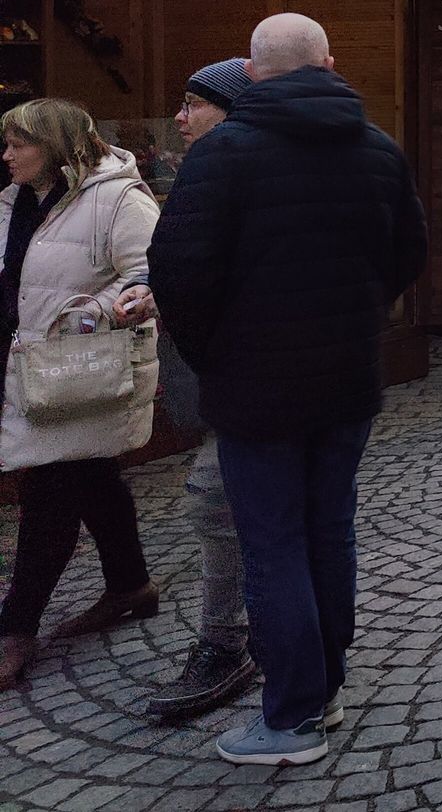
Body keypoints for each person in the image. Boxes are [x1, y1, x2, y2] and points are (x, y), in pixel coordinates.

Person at [149, 14, 426, 767]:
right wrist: (356, 321)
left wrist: (218, 355)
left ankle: (293, 716)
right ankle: (324, 688)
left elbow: (177, 272)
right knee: (327, 532)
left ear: (253, 70)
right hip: (345, 378)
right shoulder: (377, 148)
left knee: (271, 543)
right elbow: (408, 254)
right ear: (329, 62)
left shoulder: (222, 155)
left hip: (254, 386)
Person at [0, 99, 161, 692]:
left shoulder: (118, 197)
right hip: (23, 367)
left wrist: (100, 309)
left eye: (20, 143)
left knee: (47, 491)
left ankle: (14, 628)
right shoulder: (14, 199)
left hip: (76, 369)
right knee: (90, 476)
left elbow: (148, 272)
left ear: (58, 146)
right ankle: (130, 585)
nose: (8, 154)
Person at [119, 60, 259, 723]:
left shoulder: (242, 177)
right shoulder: (206, 175)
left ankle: (228, 643)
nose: (179, 117)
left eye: (192, 105)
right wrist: (153, 287)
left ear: (228, 112)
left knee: (215, 503)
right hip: (224, 382)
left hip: (248, 381)